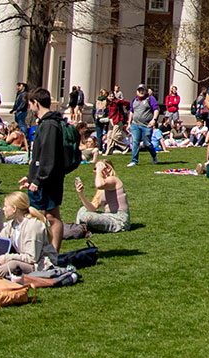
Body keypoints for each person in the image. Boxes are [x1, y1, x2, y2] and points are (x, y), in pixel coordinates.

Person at [25, 87, 75, 250]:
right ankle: (46, 250)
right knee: (45, 215)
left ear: (36, 103)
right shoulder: (47, 123)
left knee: (51, 216)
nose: (29, 108)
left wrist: (39, 179)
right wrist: (31, 176)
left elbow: (48, 155)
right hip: (45, 177)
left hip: (49, 179)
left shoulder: (50, 125)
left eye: (30, 104)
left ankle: (52, 252)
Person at [74, 156, 131, 233]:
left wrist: (99, 171)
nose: (97, 172)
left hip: (119, 219)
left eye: (98, 169)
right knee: (83, 209)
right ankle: (79, 229)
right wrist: (81, 193)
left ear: (109, 169)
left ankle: (80, 229)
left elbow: (99, 184)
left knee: (87, 217)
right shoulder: (102, 189)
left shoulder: (114, 180)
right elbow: (92, 208)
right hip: (107, 216)